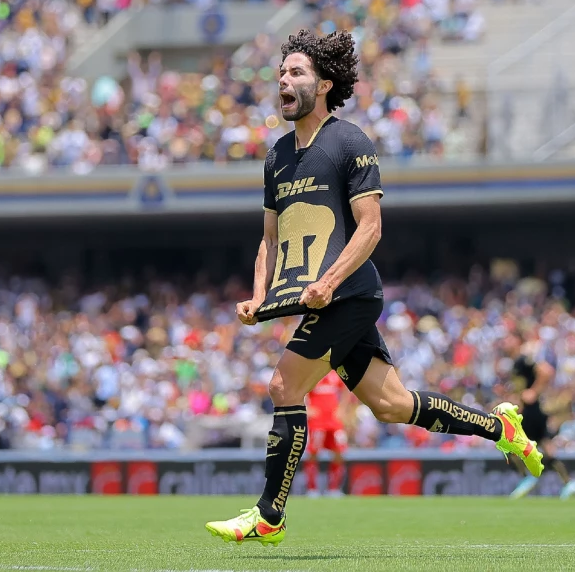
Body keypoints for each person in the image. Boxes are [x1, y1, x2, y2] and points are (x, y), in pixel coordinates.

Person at [205, 29, 543, 546]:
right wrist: (259, 296)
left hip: (350, 295)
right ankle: (501, 429)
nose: (283, 81)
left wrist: (328, 282)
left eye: (295, 73)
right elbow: (269, 240)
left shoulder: (349, 142)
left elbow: (370, 228)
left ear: (324, 84)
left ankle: (269, 516)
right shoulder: (276, 157)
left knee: (283, 386)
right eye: (281, 73)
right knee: (392, 406)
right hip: (319, 299)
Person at [505, 339, 575, 500]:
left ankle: (527, 477)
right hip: (531, 411)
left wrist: (534, 391)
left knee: (508, 441)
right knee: (545, 448)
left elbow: (546, 371)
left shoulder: (523, 360)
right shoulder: (514, 363)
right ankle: (569, 483)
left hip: (531, 411)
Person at [303, 370, 348, 498]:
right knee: (313, 452)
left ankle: (334, 489)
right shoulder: (312, 372)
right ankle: (312, 489)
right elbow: (299, 390)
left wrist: (342, 408)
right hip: (317, 420)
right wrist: (306, 408)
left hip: (334, 419)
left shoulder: (336, 372)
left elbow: (346, 388)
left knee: (339, 452)